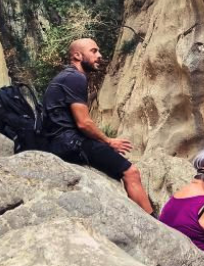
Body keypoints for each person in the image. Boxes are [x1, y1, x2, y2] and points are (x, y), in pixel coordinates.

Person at [41, 38, 152, 214]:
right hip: (71, 143)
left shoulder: (65, 77)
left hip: (59, 143)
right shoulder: (75, 78)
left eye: (98, 51)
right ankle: (152, 221)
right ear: (77, 55)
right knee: (131, 172)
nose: (99, 55)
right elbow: (84, 123)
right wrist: (109, 141)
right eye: (93, 51)